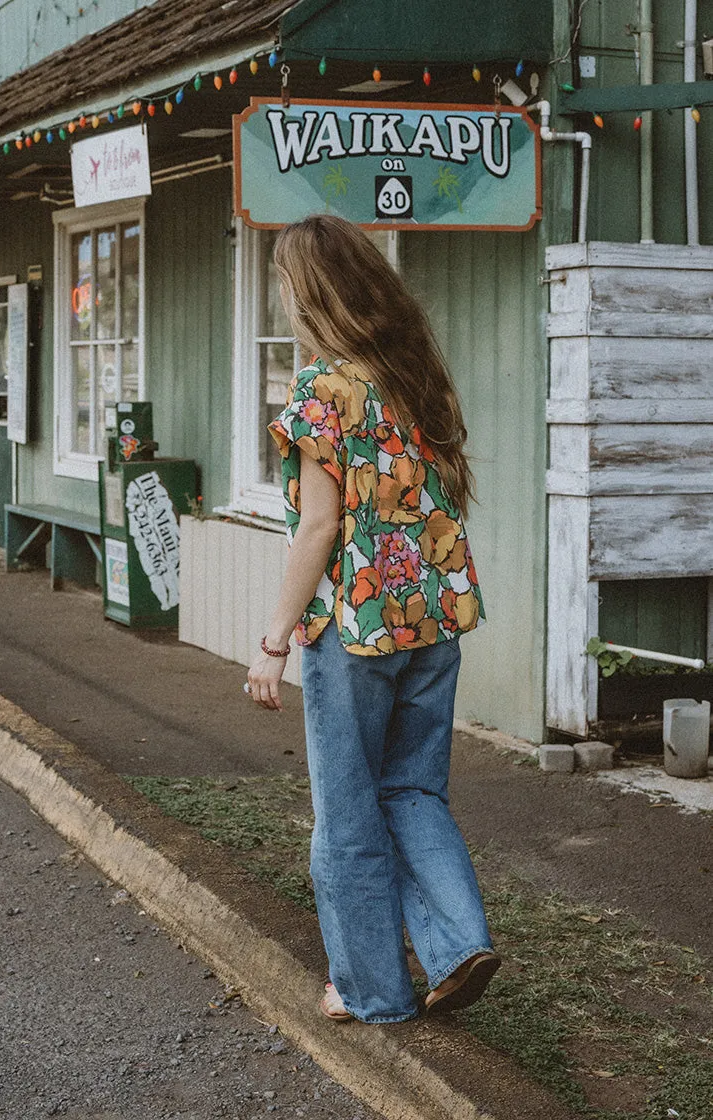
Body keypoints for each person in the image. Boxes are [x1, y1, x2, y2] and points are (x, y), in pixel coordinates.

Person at [246, 214, 500, 1024]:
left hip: (354, 633)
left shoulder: (323, 389)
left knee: (349, 812)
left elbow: (319, 529)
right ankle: (458, 943)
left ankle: (368, 992)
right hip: (433, 615)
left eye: (286, 281)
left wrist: (273, 641)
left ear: (309, 292)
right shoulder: (412, 372)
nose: (283, 294)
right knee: (414, 790)